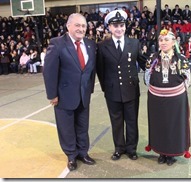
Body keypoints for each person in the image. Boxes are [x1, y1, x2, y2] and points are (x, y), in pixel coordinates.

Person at [43, 13, 97, 171]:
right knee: (66, 128)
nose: (81, 29)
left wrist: (90, 89)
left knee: (82, 126)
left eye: (84, 26)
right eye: (78, 25)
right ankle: (71, 155)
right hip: (64, 96)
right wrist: (52, 94)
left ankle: (83, 152)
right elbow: (49, 71)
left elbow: (90, 70)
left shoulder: (90, 44)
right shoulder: (57, 43)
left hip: (83, 95)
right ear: (68, 26)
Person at [96, 10, 146, 161]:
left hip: (131, 89)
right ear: (109, 28)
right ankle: (119, 148)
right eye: (115, 26)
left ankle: (131, 148)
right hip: (112, 90)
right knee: (116, 121)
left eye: (122, 25)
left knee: (132, 120)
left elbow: (145, 63)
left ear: (125, 26)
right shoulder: (102, 46)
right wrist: (106, 88)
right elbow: (100, 70)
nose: (119, 29)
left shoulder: (134, 43)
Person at [144, 29, 191, 166]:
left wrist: (176, 92)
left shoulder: (181, 59)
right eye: (160, 40)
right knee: (158, 125)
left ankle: (172, 153)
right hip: (156, 99)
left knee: (174, 126)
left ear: (173, 42)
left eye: (166, 40)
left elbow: (187, 78)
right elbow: (147, 77)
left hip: (176, 100)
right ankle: (161, 152)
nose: (163, 42)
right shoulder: (152, 58)